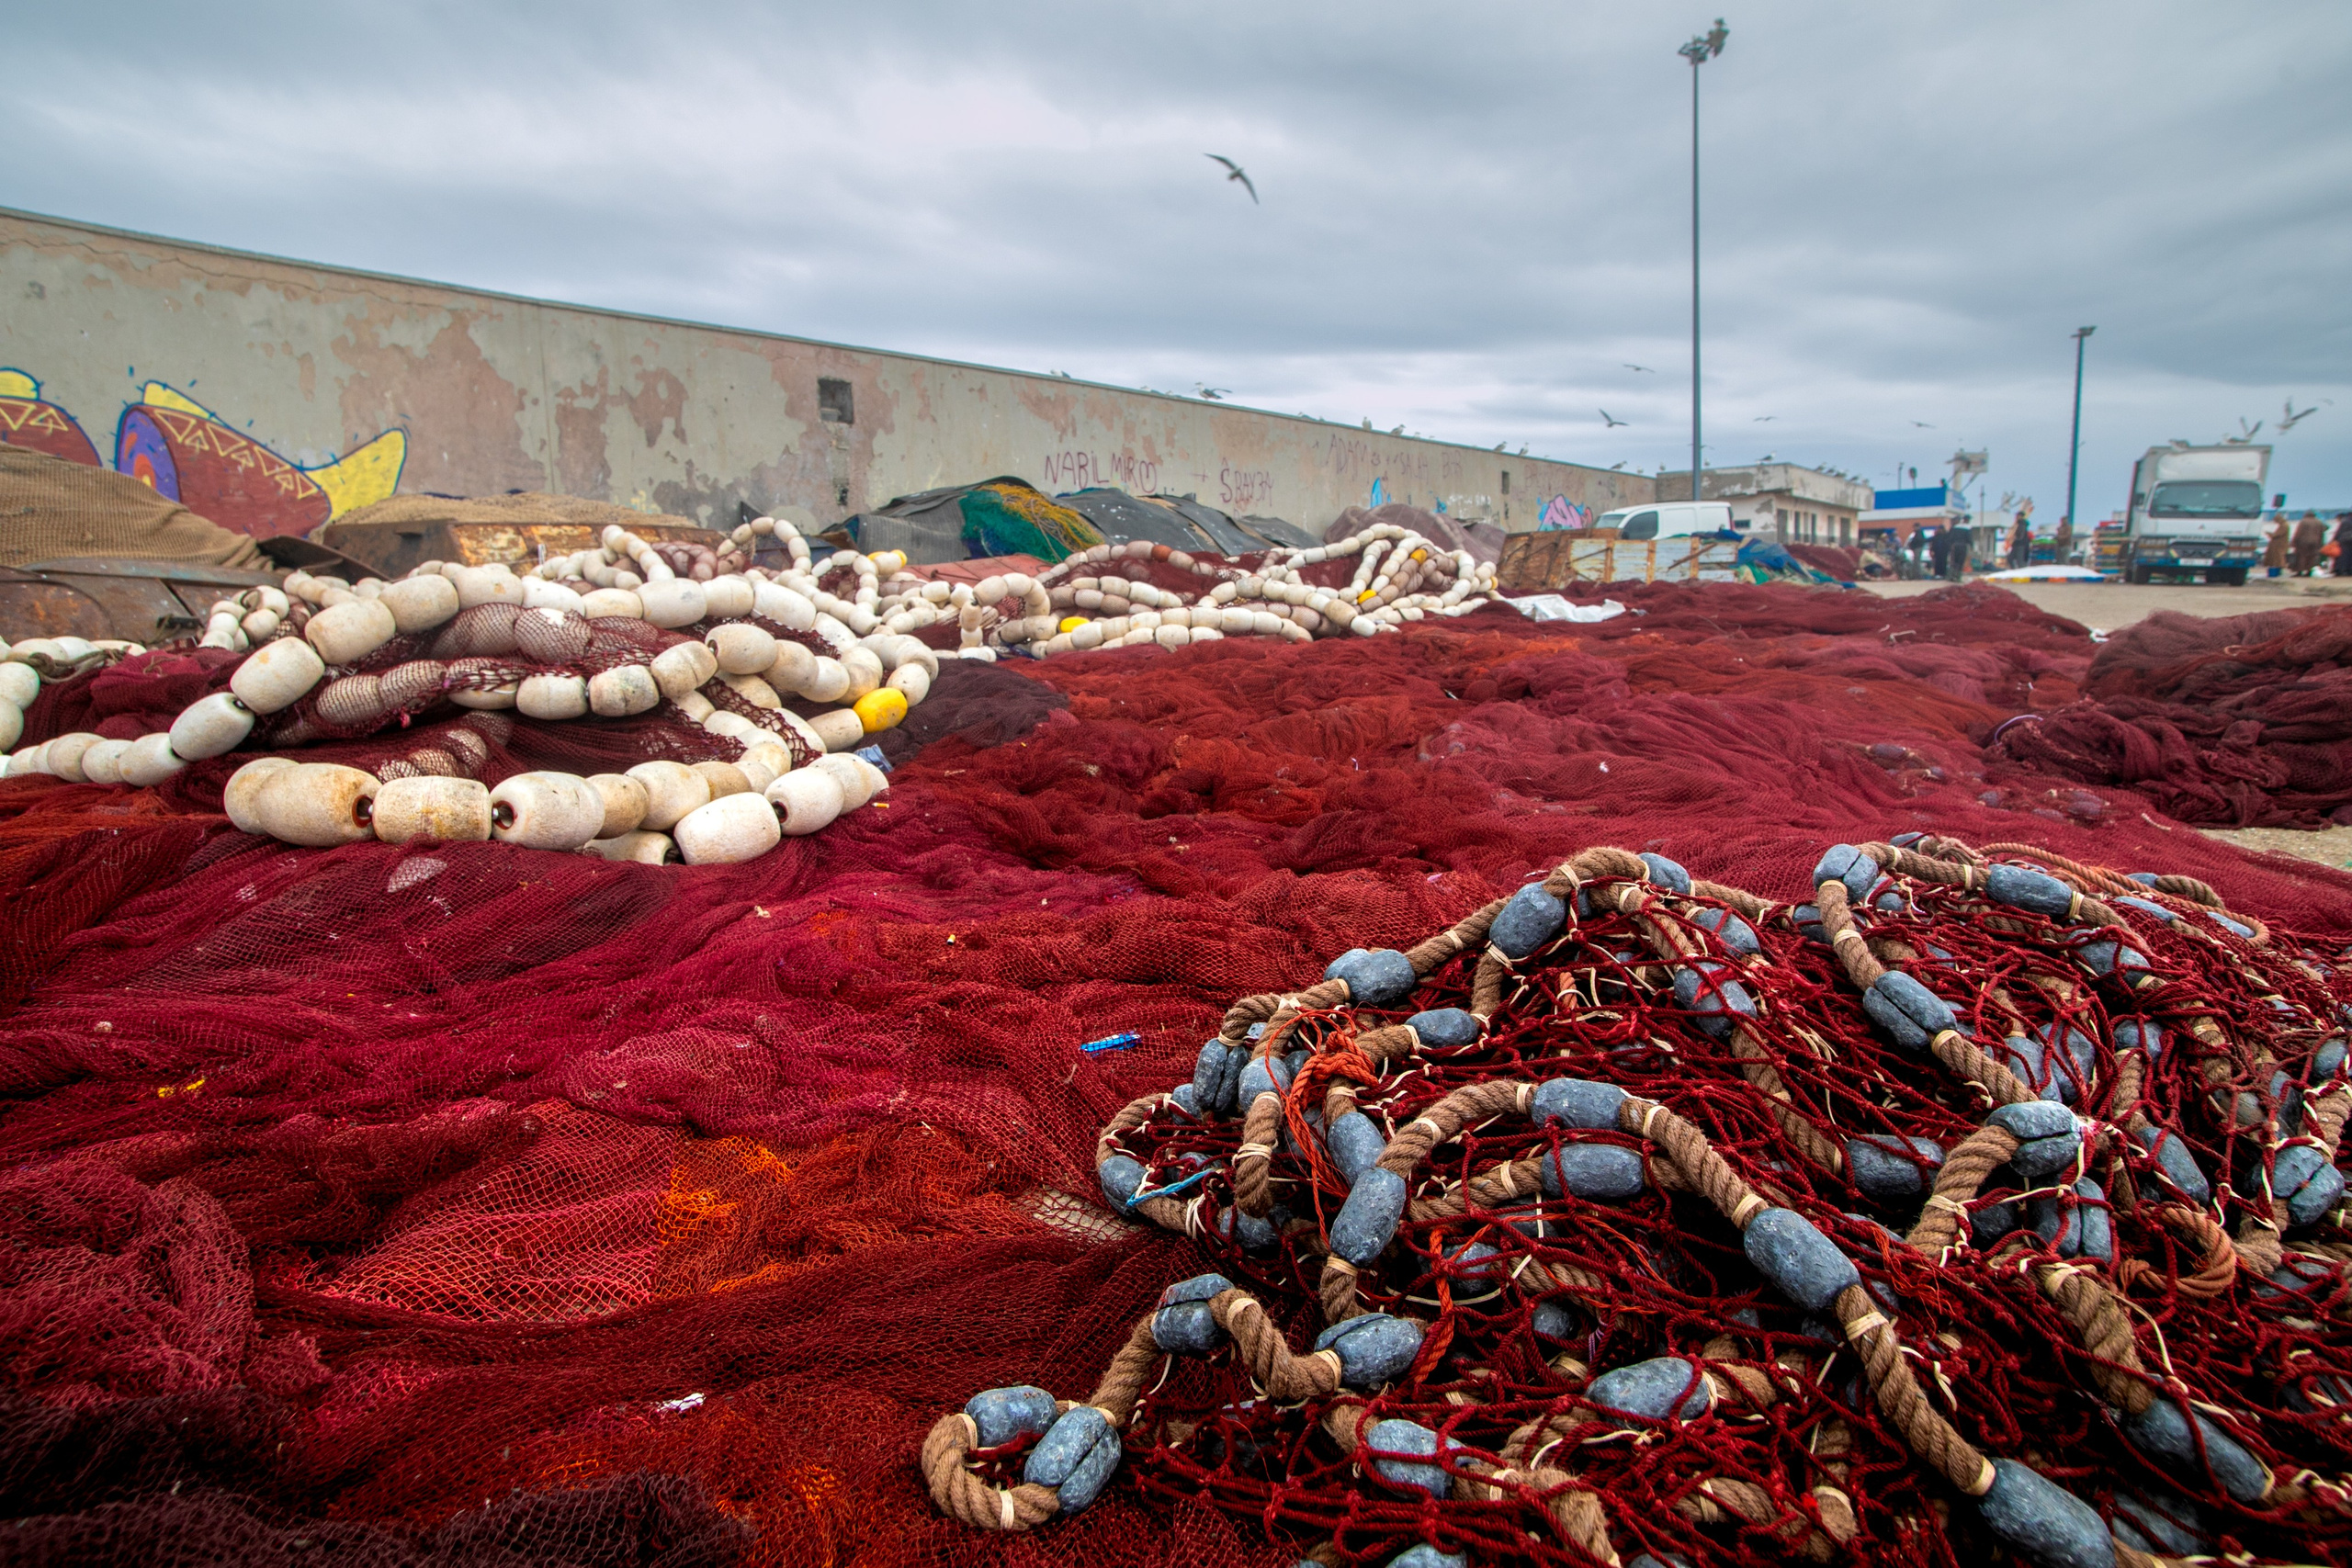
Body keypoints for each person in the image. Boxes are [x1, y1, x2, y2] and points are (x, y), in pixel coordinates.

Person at [2292, 511, 2328, 576]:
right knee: (2312, 557)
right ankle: (2309, 571)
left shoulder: (2303, 522)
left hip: (2303, 542)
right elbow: (2321, 534)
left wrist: (2294, 542)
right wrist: (2321, 544)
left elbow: (2298, 533)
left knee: (2301, 556)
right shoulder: (2319, 522)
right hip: (2315, 543)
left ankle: (2299, 572)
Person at [2264, 513, 2291, 578]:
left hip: (2279, 545)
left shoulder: (2284, 526)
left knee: (2278, 559)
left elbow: (2276, 535)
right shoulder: (2284, 525)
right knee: (2278, 559)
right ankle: (2278, 572)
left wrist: (2269, 534)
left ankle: (2276, 572)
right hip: (2280, 545)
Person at [2334, 513, 2352, 578]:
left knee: (2344, 556)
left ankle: (2343, 571)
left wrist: (2334, 539)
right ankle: (2350, 571)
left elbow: (2339, 531)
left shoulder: (2345, 521)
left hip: (2344, 540)